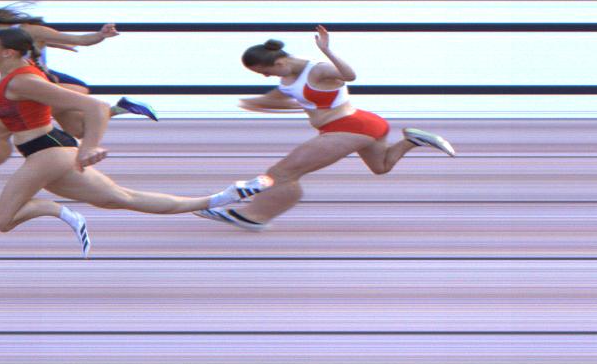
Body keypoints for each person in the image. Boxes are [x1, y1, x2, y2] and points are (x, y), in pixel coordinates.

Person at [0, 29, 256, 255]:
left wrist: (89, 146)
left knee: (4, 221)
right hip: (51, 150)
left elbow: (95, 106)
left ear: (7, 52)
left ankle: (62, 212)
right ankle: (219, 198)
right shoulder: (21, 74)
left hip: (47, 153)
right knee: (119, 198)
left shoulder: (22, 81)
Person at [191, 26, 457, 231]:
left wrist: (327, 51)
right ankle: (412, 140)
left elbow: (350, 76)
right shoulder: (288, 76)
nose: (265, 76)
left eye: (265, 72)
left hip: (350, 126)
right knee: (381, 167)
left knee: (283, 173)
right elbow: (281, 98)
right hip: (363, 124)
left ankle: (254, 216)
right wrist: (253, 103)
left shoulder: (317, 70)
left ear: (279, 63)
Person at [0, 2, 161, 187]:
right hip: (49, 87)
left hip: (51, 86)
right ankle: (122, 107)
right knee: (78, 129)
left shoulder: (26, 29)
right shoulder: (3, 36)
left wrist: (101, 35)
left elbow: (78, 40)